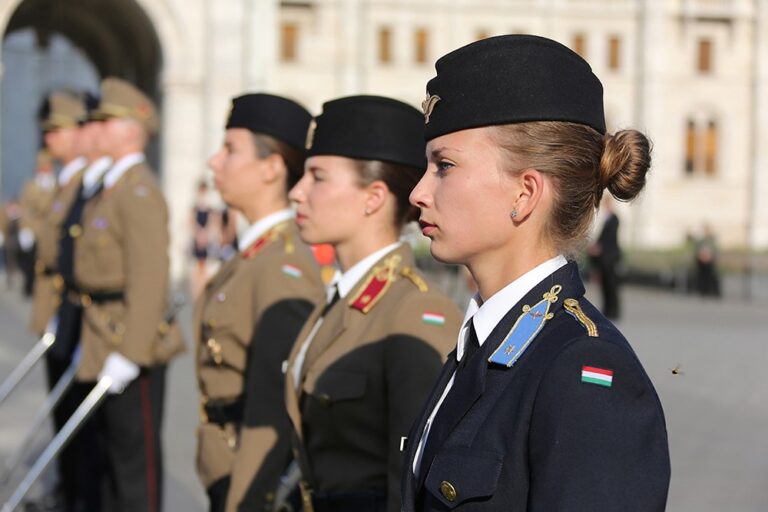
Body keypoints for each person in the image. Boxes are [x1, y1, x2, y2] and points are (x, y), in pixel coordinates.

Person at [402, 35, 670, 511]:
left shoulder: (582, 369)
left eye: (444, 166)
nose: (418, 193)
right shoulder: (484, 344)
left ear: (524, 193)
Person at [285, 95, 462, 512]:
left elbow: (410, 483)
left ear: (374, 197)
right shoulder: (339, 299)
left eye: (317, 177)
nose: (296, 193)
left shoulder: (414, 313)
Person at [195, 93, 325, 512]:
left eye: (231, 149)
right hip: (224, 459)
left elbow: (273, 409)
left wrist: (248, 498)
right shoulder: (257, 254)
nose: (215, 162)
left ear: (271, 168)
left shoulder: (282, 266)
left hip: (246, 472)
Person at [73, 77, 185, 512]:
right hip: (104, 337)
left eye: (106, 121)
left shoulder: (138, 190)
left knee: (134, 470)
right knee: (108, 461)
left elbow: (149, 279)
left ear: (130, 130)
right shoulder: (114, 187)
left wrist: (131, 352)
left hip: (129, 345)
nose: (95, 129)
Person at [18, 149, 57, 297]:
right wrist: (25, 229)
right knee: (30, 263)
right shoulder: (31, 186)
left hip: (50, 230)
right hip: (35, 230)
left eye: (46, 166)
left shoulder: (57, 185)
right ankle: (30, 286)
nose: (44, 169)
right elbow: (25, 208)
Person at [588, 196, 622, 319]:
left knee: (611, 285)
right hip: (604, 258)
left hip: (610, 257)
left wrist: (600, 247)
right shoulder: (607, 219)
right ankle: (607, 310)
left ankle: (614, 311)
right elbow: (602, 237)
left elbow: (610, 238)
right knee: (605, 286)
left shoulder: (614, 219)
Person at [191, 180, 213, 297]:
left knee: (205, 268)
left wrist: (206, 234)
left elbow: (212, 224)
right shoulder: (194, 208)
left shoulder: (209, 209)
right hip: (198, 239)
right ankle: (197, 294)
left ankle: (203, 294)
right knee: (197, 269)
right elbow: (191, 222)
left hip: (206, 240)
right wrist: (198, 233)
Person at [694, 223, 721, 297]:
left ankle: (711, 291)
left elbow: (714, 251)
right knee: (702, 276)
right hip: (701, 262)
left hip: (710, 262)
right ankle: (703, 291)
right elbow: (697, 251)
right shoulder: (701, 241)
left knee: (710, 276)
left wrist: (710, 257)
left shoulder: (712, 240)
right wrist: (701, 257)